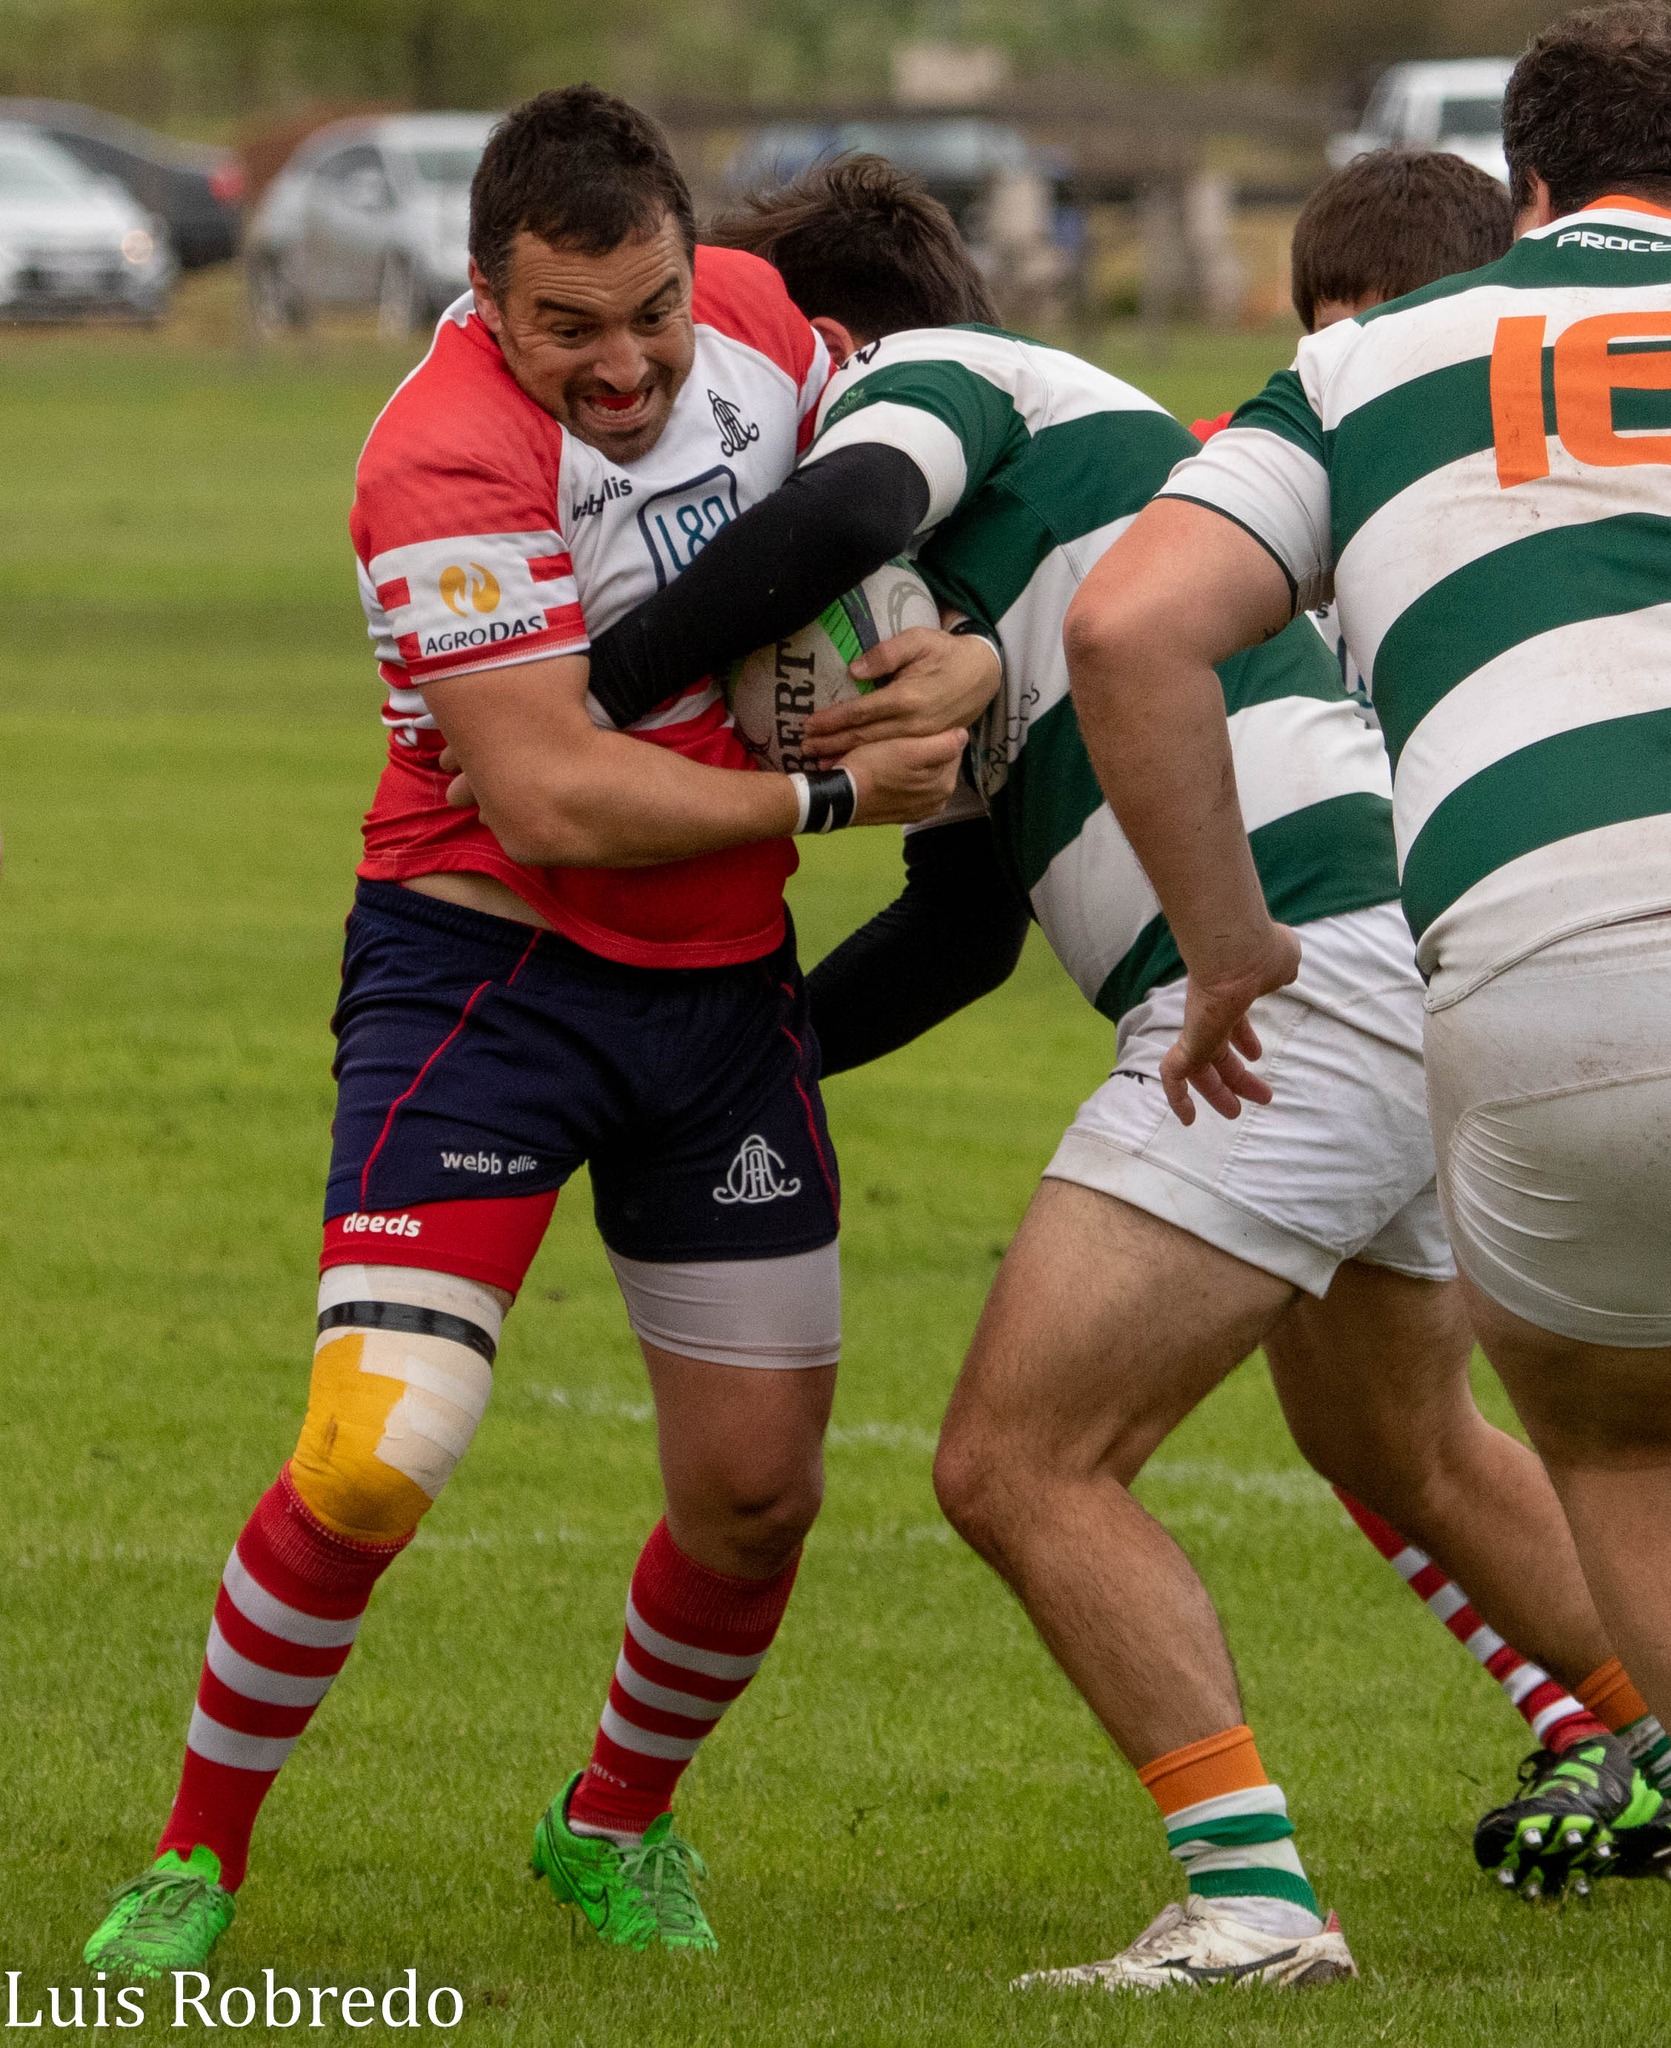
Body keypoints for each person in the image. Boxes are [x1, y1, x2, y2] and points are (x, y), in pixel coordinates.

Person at [556, 151, 1668, 1991]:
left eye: (730, 347)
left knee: (1019, 1460)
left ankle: (1255, 1905)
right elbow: (962, 927)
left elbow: (840, 507)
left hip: (1285, 981)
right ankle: (1648, 1735)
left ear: (812, 334)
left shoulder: (934, 377)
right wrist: (739, 1072)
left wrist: (591, 695)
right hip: (1387, 963)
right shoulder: (974, 555)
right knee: (1393, 1440)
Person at [82, 87, 966, 1978]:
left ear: (691, 263)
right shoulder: (440, 458)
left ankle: (611, 1827)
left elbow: (936, 476)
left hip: (721, 998)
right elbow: (551, 798)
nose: (627, 364)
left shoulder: (762, 320)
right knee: (374, 1452)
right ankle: (194, 1858)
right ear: (484, 296)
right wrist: (833, 798)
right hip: (485, 979)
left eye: (652, 310)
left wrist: (955, 649)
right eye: (570, 327)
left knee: (757, 1496)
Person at [1062, 0, 1671, 1938]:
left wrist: (1230, 946)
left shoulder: (1373, 357)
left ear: (1527, 189)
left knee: (1614, 1437)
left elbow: (1125, 628)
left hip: (1541, 984)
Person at [1187, 147, 1671, 1818]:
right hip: (1462, 989)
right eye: (1332, 321)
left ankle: (1618, 1738)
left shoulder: (1424, 418)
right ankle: (1604, 1731)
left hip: (1494, 982)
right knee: (1378, 1420)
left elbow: (1128, 623)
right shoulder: (1296, 449)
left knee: (1561, 1434)